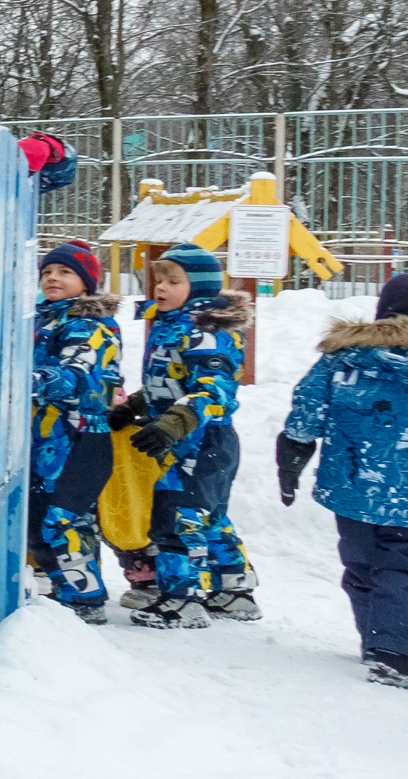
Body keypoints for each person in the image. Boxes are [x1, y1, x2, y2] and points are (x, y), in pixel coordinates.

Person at [277, 270, 408, 689]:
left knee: (362, 562)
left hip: (350, 487)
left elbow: (306, 413)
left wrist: (291, 458)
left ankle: (376, 640)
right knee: (407, 566)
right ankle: (397, 653)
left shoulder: (342, 359)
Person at [124, 243, 254, 628]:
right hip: (186, 438)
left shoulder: (207, 332)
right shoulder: (175, 324)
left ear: (198, 287)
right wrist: (135, 405)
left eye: (173, 280)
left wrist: (175, 421)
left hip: (202, 440)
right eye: (158, 279)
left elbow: (214, 389)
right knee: (210, 517)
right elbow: (171, 382)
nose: (160, 287)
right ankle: (233, 590)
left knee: (177, 518)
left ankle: (182, 600)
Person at [29, 241, 120, 622]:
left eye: (65, 272)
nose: (53, 277)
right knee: (38, 520)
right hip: (47, 440)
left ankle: (85, 599)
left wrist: (23, 379)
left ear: (86, 283)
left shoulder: (88, 325)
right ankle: (65, 589)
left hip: (81, 439)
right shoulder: (44, 319)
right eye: (47, 271)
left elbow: (78, 376)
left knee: (65, 519)